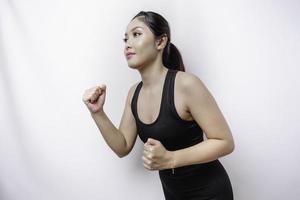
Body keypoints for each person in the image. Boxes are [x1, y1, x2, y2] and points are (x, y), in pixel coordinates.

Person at [82, 11, 235, 200]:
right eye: (125, 38)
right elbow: (122, 147)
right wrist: (98, 113)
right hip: (174, 194)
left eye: (136, 34)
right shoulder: (133, 94)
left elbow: (224, 142)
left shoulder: (186, 84)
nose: (128, 44)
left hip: (210, 193)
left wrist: (171, 158)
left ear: (160, 42)